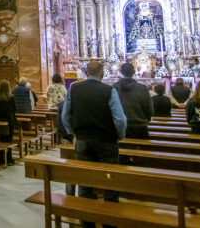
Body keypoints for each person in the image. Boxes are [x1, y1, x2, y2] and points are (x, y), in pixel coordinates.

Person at [61, 61, 127, 228]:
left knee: (85, 183)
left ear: (85, 72)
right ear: (102, 72)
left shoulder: (74, 88)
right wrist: (119, 136)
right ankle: (109, 224)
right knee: (110, 182)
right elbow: (120, 119)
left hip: (83, 140)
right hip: (107, 141)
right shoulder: (108, 90)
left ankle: (87, 223)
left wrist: (74, 133)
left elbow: (65, 116)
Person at [113, 63, 152, 139]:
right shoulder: (143, 88)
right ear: (134, 72)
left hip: (119, 127)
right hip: (140, 126)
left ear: (121, 72)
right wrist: (146, 119)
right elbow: (149, 109)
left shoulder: (114, 88)